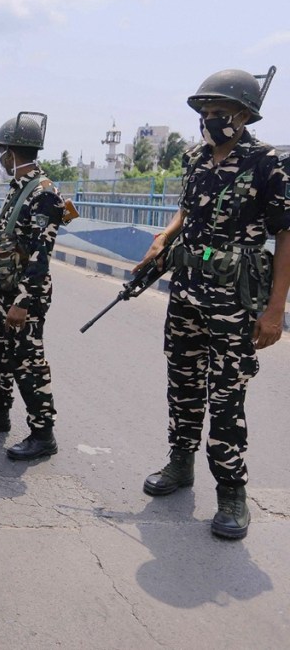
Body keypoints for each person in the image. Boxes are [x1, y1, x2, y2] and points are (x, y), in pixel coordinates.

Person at [135, 68, 290, 540]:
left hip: (235, 303)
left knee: (226, 395)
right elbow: (189, 208)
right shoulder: (196, 159)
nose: (208, 120)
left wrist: (275, 310)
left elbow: (285, 235)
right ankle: (180, 464)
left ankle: (231, 493)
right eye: (204, 112)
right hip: (186, 292)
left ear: (243, 114)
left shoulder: (268, 164)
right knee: (182, 382)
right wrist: (165, 235)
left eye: (218, 112)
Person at [0, 112, 64, 463]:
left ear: (9, 153)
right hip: (5, 290)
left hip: (25, 294)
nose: (1, 159)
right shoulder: (21, 188)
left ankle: (42, 433)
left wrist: (24, 301)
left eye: (1, 152)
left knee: (28, 361)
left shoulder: (44, 193)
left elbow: (40, 254)